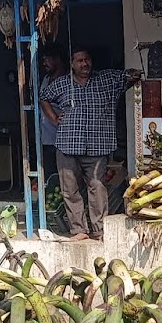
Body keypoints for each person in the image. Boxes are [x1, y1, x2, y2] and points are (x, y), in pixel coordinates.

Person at [38, 48, 139, 241]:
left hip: (97, 145)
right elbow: (44, 98)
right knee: (70, 189)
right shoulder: (61, 84)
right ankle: (79, 230)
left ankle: (100, 230)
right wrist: (53, 118)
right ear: (72, 64)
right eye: (80, 61)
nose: (84, 64)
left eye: (87, 60)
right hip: (67, 145)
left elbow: (130, 76)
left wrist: (135, 73)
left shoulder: (106, 80)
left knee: (97, 187)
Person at [37, 49, 67, 182]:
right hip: (46, 138)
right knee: (50, 176)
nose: (44, 63)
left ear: (57, 59)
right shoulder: (46, 79)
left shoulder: (68, 80)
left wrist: (56, 120)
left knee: (64, 176)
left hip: (63, 138)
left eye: (46, 59)